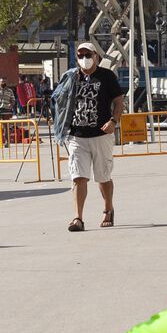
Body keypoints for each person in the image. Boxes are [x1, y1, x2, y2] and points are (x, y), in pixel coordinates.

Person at [52, 41, 123, 233]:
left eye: (88, 55)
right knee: (78, 177)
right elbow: (58, 101)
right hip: (77, 136)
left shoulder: (107, 76)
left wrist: (113, 121)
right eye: (81, 55)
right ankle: (78, 218)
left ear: (96, 57)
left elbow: (118, 101)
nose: (85, 59)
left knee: (103, 176)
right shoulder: (70, 77)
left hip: (101, 134)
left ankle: (108, 209)